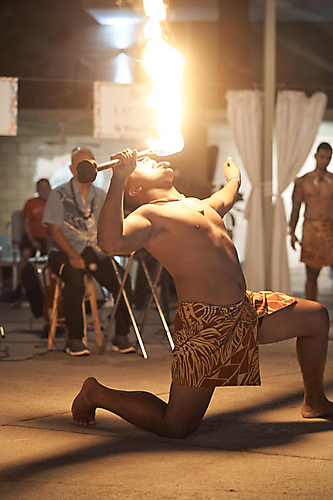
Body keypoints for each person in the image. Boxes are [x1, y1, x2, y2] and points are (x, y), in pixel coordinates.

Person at [71, 149, 333, 438]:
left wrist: (233, 178)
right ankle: (95, 393)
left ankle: (315, 401)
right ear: (136, 188)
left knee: (316, 318)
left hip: (245, 310)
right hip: (205, 325)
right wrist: (118, 179)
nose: (152, 158)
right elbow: (111, 242)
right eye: (143, 164)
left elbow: (227, 197)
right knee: (177, 425)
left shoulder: (198, 205)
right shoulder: (149, 215)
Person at [42, 147, 134, 356]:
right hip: (64, 252)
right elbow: (54, 231)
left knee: (122, 280)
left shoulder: (100, 195)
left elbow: (108, 227)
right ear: (72, 169)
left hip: (94, 250)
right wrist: (73, 255)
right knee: (74, 280)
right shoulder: (59, 195)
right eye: (81, 165)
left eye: (91, 164)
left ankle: (121, 336)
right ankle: (75, 340)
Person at [289, 142, 333, 301]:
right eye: (322, 157)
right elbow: (295, 208)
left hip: (330, 229)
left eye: (328, 158)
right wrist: (292, 232)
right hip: (311, 229)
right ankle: (311, 313)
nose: (325, 161)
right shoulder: (303, 181)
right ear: (316, 156)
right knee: (312, 275)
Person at [10, 178, 51, 303]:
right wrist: (32, 241)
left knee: (55, 253)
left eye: (47, 187)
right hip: (32, 237)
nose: (44, 191)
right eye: (42, 188)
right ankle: (19, 287)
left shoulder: (55, 203)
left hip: (49, 237)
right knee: (26, 254)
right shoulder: (30, 203)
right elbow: (26, 224)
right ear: (37, 190)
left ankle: (51, 288)